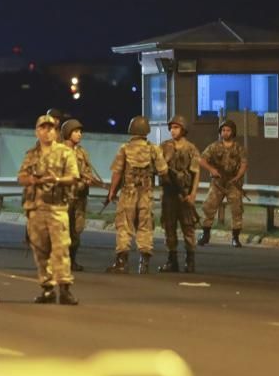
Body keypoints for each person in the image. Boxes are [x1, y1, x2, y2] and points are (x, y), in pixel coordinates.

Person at [18, 114, 79, 305]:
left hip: (57, 208)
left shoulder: (65, 153)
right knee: (40, 250)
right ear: (37, 131)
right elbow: (21, 176)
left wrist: (57, 180)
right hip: (36, 208)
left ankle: (65, 288)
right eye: (43, 128)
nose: (48, 131)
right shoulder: (31, 154)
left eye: (51, 128)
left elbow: (73, 177)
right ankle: (47, 288)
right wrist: (34, 180)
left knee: (61, 249)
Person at [105, 115, 168, 274]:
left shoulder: (124, 148)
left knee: (124, 225)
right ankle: (144, 263)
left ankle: (122, 263)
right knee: (145, 226)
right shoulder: (154, 148)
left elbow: (117, 173)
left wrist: (112, 191)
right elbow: (163, 171)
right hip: (146, 193)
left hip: (128, 192)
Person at [158, 115, 201, 272]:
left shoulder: (191, 149)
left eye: (176, 127)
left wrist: (193, 194)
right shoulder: (164, 147)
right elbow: (157, 167)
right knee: (169, 227)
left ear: (183, 129)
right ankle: (172, 259)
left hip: (185, 193)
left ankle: (190, 260)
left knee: (188, 227)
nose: (172, 130)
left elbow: (196, 173)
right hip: (169, 194)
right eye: (171, 127)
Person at [198, 119, 248, 248]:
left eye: (228, 130)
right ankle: (205, 235)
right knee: (208, 207)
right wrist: (211, 169)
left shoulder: (239, 148)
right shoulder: (214, 146)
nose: (225, 133)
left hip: (233, 183)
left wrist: (238, 177)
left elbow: (244, 164)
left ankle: (235, 238)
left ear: (233, 132)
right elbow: (201, 159)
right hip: (218, 183)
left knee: (237, 210)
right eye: (223, 130)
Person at [61, 118, 99, 272]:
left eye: (80, 132)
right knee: (63, 230)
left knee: (77, 230)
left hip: (80, 198)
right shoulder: (60, 151)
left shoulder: (82, 152)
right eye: (76, 131)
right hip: (64, 197)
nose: (79, 134)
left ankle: (72, 260)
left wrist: (88, 180)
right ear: (67, 133)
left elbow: (88, 171)